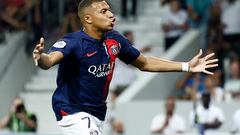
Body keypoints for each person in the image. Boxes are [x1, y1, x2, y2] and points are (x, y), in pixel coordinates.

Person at [32, 0, 218, 135]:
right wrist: (40, 58)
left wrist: (186, 66)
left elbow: (144, 63)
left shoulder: (115, 39)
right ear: (88, 19)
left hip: (97, 113)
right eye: (103, 11)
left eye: (110, 10)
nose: (111, 15)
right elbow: (49, 61)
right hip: (71, 110)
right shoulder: (73, 42)